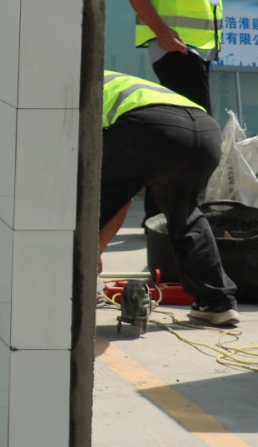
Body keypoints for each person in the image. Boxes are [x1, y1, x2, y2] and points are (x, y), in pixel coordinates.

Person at [99, 71, 240, 328]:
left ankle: (70, 281)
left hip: (151, 128)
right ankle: (217, 303)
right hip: (204, 131)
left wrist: (94, 248)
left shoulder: (69, 85)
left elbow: (114, 198)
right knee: (185, 214)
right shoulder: (107, 77)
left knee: (89, 195)